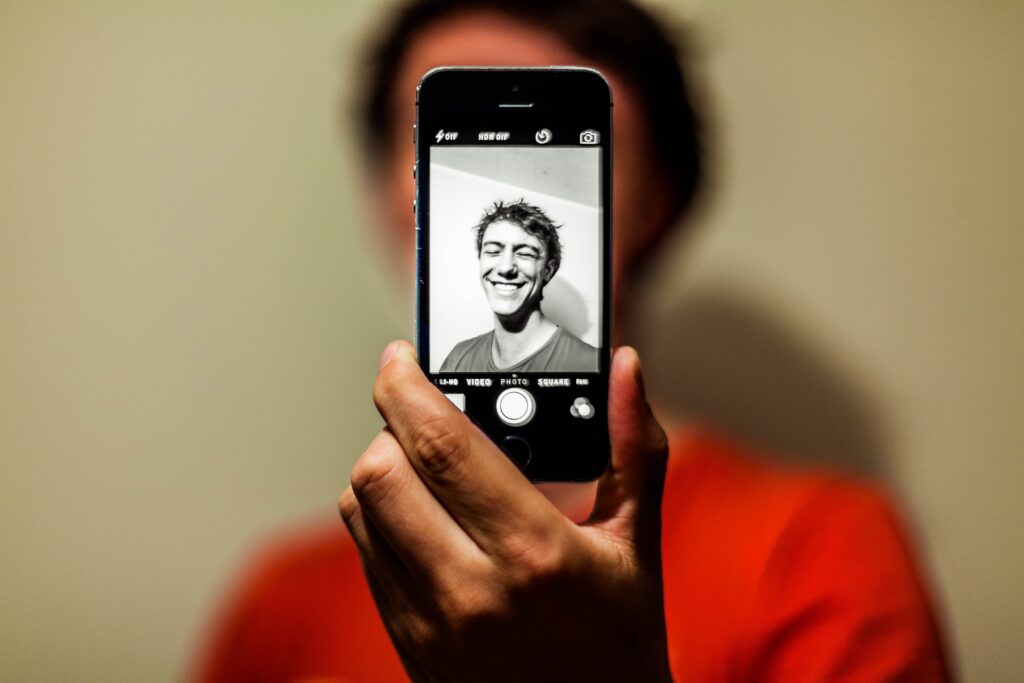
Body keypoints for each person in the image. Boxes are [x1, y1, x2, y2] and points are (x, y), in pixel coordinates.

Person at [192, 0, 953, 681]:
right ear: (388, 200)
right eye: (452, 143)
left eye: (549, 152)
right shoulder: (280, 602)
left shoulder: (819, 551)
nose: (501, 184)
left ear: (657, 201)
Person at [440, 199, 598, 372]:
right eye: (493, 251)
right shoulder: (458, 359)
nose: (506, 267)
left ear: (548, 270)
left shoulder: (590, 364)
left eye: (525, 254)